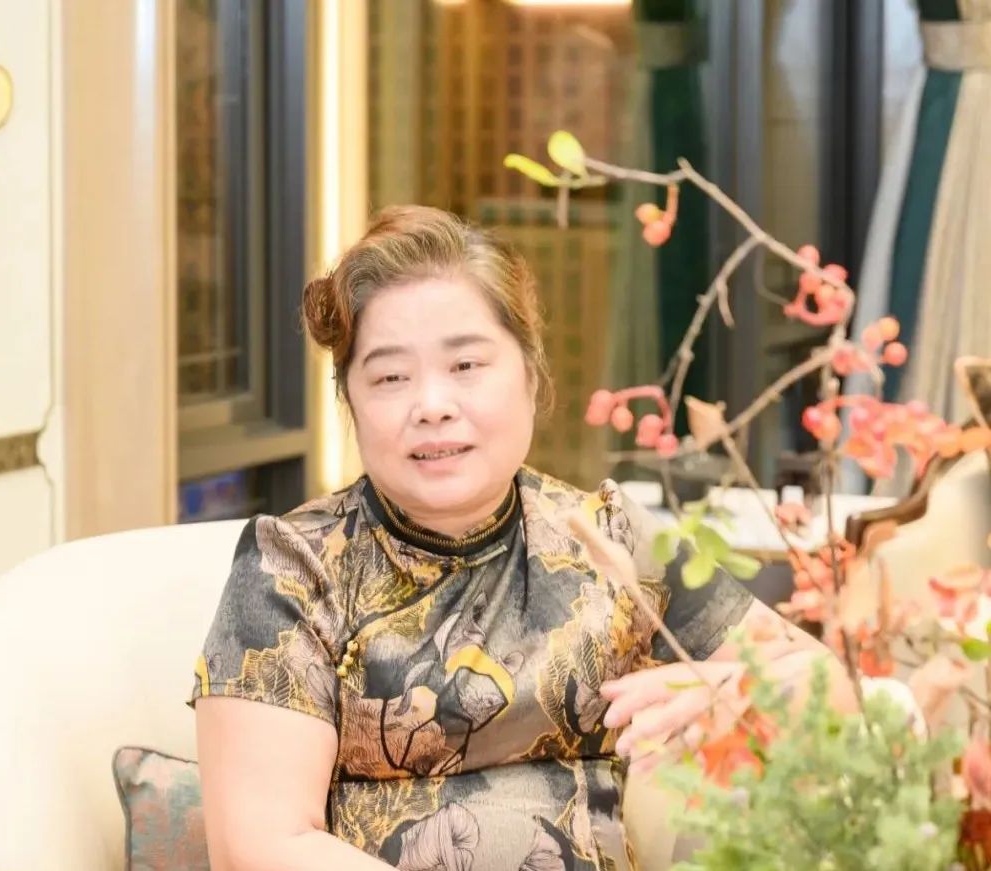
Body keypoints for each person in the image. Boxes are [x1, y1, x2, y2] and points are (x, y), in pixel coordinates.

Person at [191, 206, 842, 870]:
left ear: (530, 375)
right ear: (351, 404)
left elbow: (839, 694)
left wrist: (737, 687)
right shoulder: (294, 567)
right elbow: (261, 845)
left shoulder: (608, 539)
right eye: (390, 377)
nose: (433, 405)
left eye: (466, 364)